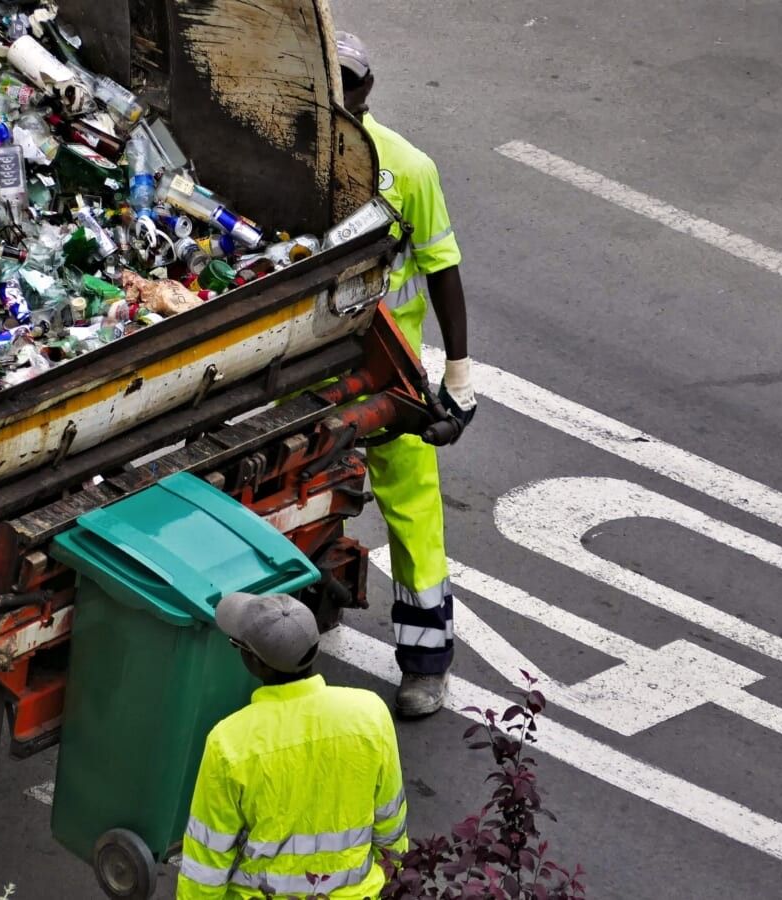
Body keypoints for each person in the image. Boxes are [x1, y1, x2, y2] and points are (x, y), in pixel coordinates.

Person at [336, 31, 476, 719]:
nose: (338, 91)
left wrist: (459, 373)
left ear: (368, 88)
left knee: (413, 513)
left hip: (387, 369)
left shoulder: (408, 169)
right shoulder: (282, 155)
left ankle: (426, 665)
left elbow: (443, 268)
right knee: (302, 489)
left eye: (348, 80)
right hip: (307, 364)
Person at [177, 593, 409, 899]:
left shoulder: (229, 743)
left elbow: (207, 862)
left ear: (254, 661)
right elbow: (391, 827)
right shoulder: (370, 715)